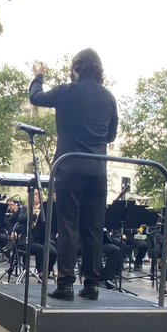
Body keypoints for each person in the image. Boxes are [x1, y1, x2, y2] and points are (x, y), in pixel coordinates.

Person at [30, 49, 118, 301]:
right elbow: (111, 135)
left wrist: (38, 75)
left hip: (69, 167)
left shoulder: (66, 91)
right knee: (93, 227)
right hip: (98, 169)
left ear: (76, 68)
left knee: (68, 226)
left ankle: (65, 284)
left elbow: (36, 97)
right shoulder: (109, 98)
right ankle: (91, 285)